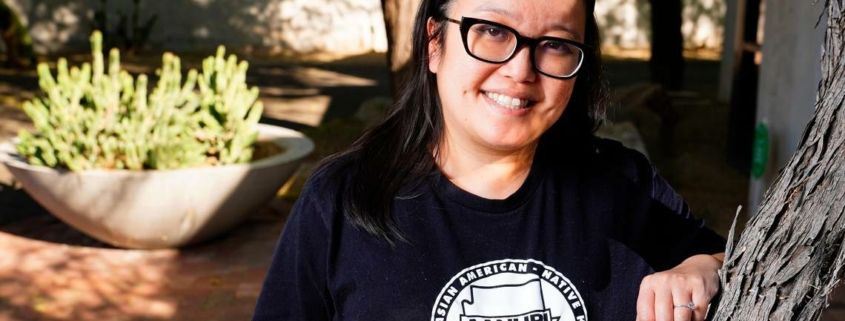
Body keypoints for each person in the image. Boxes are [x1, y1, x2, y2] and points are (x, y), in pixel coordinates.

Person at [252, 0, 726, 319]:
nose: (521, 71)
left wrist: (704, 268)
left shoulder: (623, 184)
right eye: (493, 31)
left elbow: (726, 257)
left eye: (557, 44)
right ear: (434, 43)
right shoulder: (342, 201)